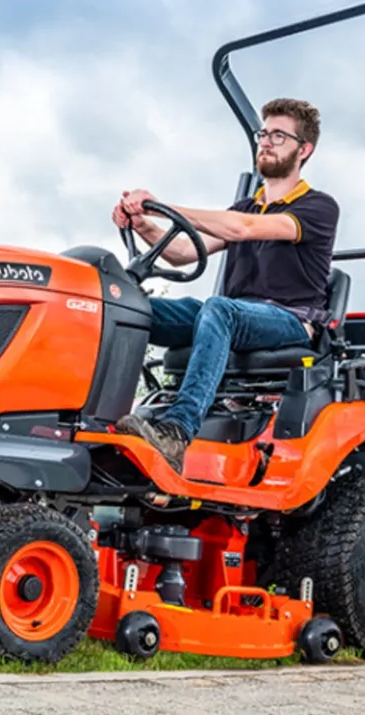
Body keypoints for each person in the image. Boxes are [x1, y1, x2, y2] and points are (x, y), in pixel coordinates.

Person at [111, 98, 340, 473]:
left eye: (279, 136)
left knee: (219, 308)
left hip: (289, 321)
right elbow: (183, 253)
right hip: (235, 317)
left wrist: (160, 205)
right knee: (125, 305)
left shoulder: (318, 208)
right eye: (263, 133)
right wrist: (143, 226)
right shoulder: (247, 206)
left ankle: (177, 432)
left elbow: (240, 230)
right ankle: (93, 416)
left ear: (304, 149)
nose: (265, 142)